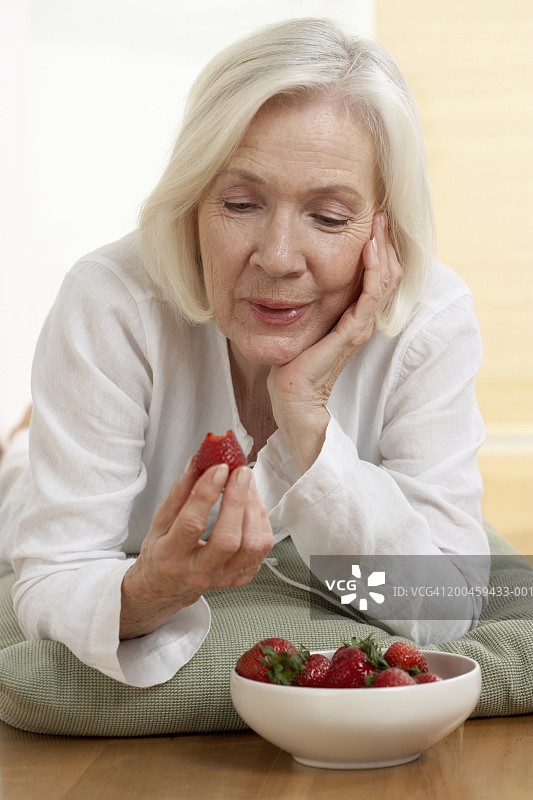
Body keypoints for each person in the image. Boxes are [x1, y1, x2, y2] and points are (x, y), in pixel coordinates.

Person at [0, 18, 488, 687]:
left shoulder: (432, 318)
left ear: (385, 227)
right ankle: (21, 442)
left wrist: (307, 413)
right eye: (240, 203)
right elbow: (54, 571)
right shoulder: (110, 300)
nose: (279, 258)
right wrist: (148, 590)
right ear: (193, 202)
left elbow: (445, 604)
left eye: (327, 216)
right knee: (19, 480)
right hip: (26, 486)